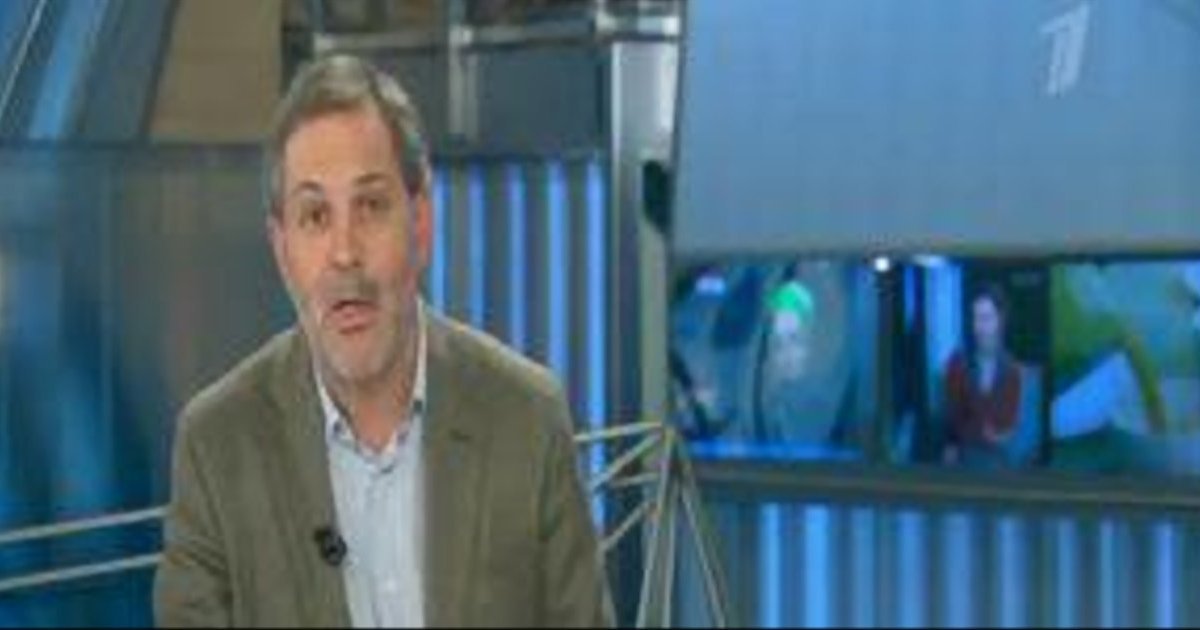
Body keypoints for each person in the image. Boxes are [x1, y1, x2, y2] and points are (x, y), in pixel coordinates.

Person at [154, 54, 612, 628]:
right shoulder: (219, 446)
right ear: (282, 250)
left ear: (420, 223)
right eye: (315, 216)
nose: (345, 252)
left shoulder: (526, 417)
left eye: (370, 206)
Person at [943, 285, 1024, 466]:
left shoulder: (1012, 370)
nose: (979, 327)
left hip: (999, 459)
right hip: (964, 458)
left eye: (985, 318)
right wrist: (951, 447)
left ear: (1000, 320)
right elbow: (951, 417)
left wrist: (1000, 437)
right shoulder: (957, 363)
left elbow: (1012, 424)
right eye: (975, 318)